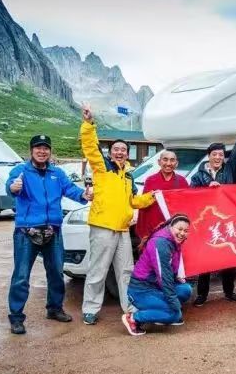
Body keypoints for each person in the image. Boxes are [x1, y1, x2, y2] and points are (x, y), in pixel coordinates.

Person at [6, 135, 92, 334]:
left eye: (45, 148)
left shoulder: (57, 173)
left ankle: (54, 308)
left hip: (52, 230)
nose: (42, 151)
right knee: (21, 276)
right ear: (31, 151)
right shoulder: (21, 171)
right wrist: (13, 187)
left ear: (50, 151)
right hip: (26, 231)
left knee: (56, 273)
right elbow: (11, 186)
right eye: (38, 148)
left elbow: (70, 189)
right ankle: (16, 317)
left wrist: (83, 195)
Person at [80, 104, 156, 325]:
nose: (120, 152)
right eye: (116, 149)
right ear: (111, 152)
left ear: (127, 153)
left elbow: (133, 201)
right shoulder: (102, 167)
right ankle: (90, 309)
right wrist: (88, 124)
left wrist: (152, 197)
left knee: (126, 271)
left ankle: (129, 307)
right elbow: (90, 147)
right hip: (103, 227)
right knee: (98, 271)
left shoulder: (128, 177)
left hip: (122, 229)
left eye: (123, 149)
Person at [190, 122, 236, 306]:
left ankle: (229, 291)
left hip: (227, 220)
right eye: (214, 154)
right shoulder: (198, 176)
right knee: (206, 258)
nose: (218, 157)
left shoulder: (229, 169)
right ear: (208, 156)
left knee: (228, 256)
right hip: (207, 222)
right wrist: (206, 189)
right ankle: (202, 294)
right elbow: (191, 196)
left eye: (220, 155)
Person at [122, 214, 192, 336]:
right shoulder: (161, 243)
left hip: (155, 286)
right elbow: (164, 277)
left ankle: (161, 312)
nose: (182, 233)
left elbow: (167, 271)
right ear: (171, 227)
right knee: (174, 314)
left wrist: (176, 278)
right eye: (179, 229)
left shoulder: (172, 241)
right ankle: (133, 318)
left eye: (186, 231)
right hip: (141, 291)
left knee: (185, 289)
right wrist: (174, 304)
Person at [135, 150, 189, 239]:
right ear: (159, 162)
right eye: (165, 159)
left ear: (176, 163)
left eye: (172, 160)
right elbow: (144, 207)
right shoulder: (151, 180)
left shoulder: (182, 181)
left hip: (174, 228)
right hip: (154, 227)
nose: (168, 163)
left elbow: (186, 206)